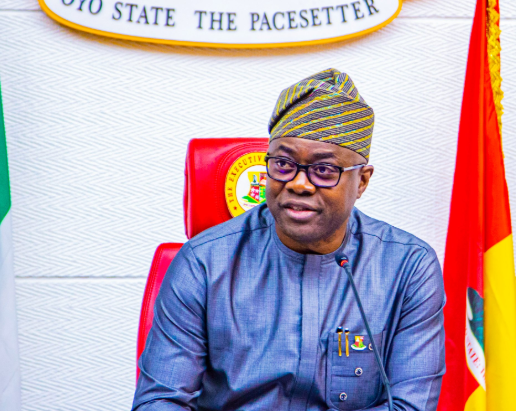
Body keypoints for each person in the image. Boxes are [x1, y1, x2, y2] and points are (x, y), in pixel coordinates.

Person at [132, 69, 446, 411]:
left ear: (362, 182)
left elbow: (410, 406)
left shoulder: (408, 266)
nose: (298, 183)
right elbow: (161, 402)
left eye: (324, 170)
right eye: (283, 164)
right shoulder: (203, 262)